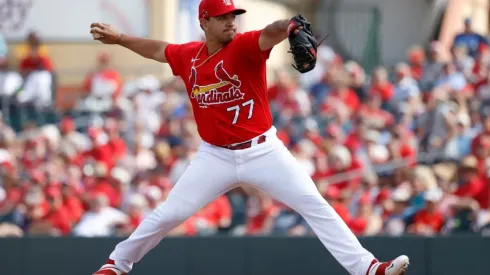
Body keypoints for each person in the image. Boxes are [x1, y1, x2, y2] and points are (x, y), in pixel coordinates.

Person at [89, 0, 409, 275]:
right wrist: (119, 39)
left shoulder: (244, 46)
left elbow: (271, 31)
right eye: (223, 17)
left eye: (233, 16)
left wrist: (291, 27)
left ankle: (368, 268)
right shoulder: (189, 55)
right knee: (170, 213)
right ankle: (116, 264)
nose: (231, 22)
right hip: (214, 156)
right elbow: (157, 50)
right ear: (204, 21)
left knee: (314, 204)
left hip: (263, 151)